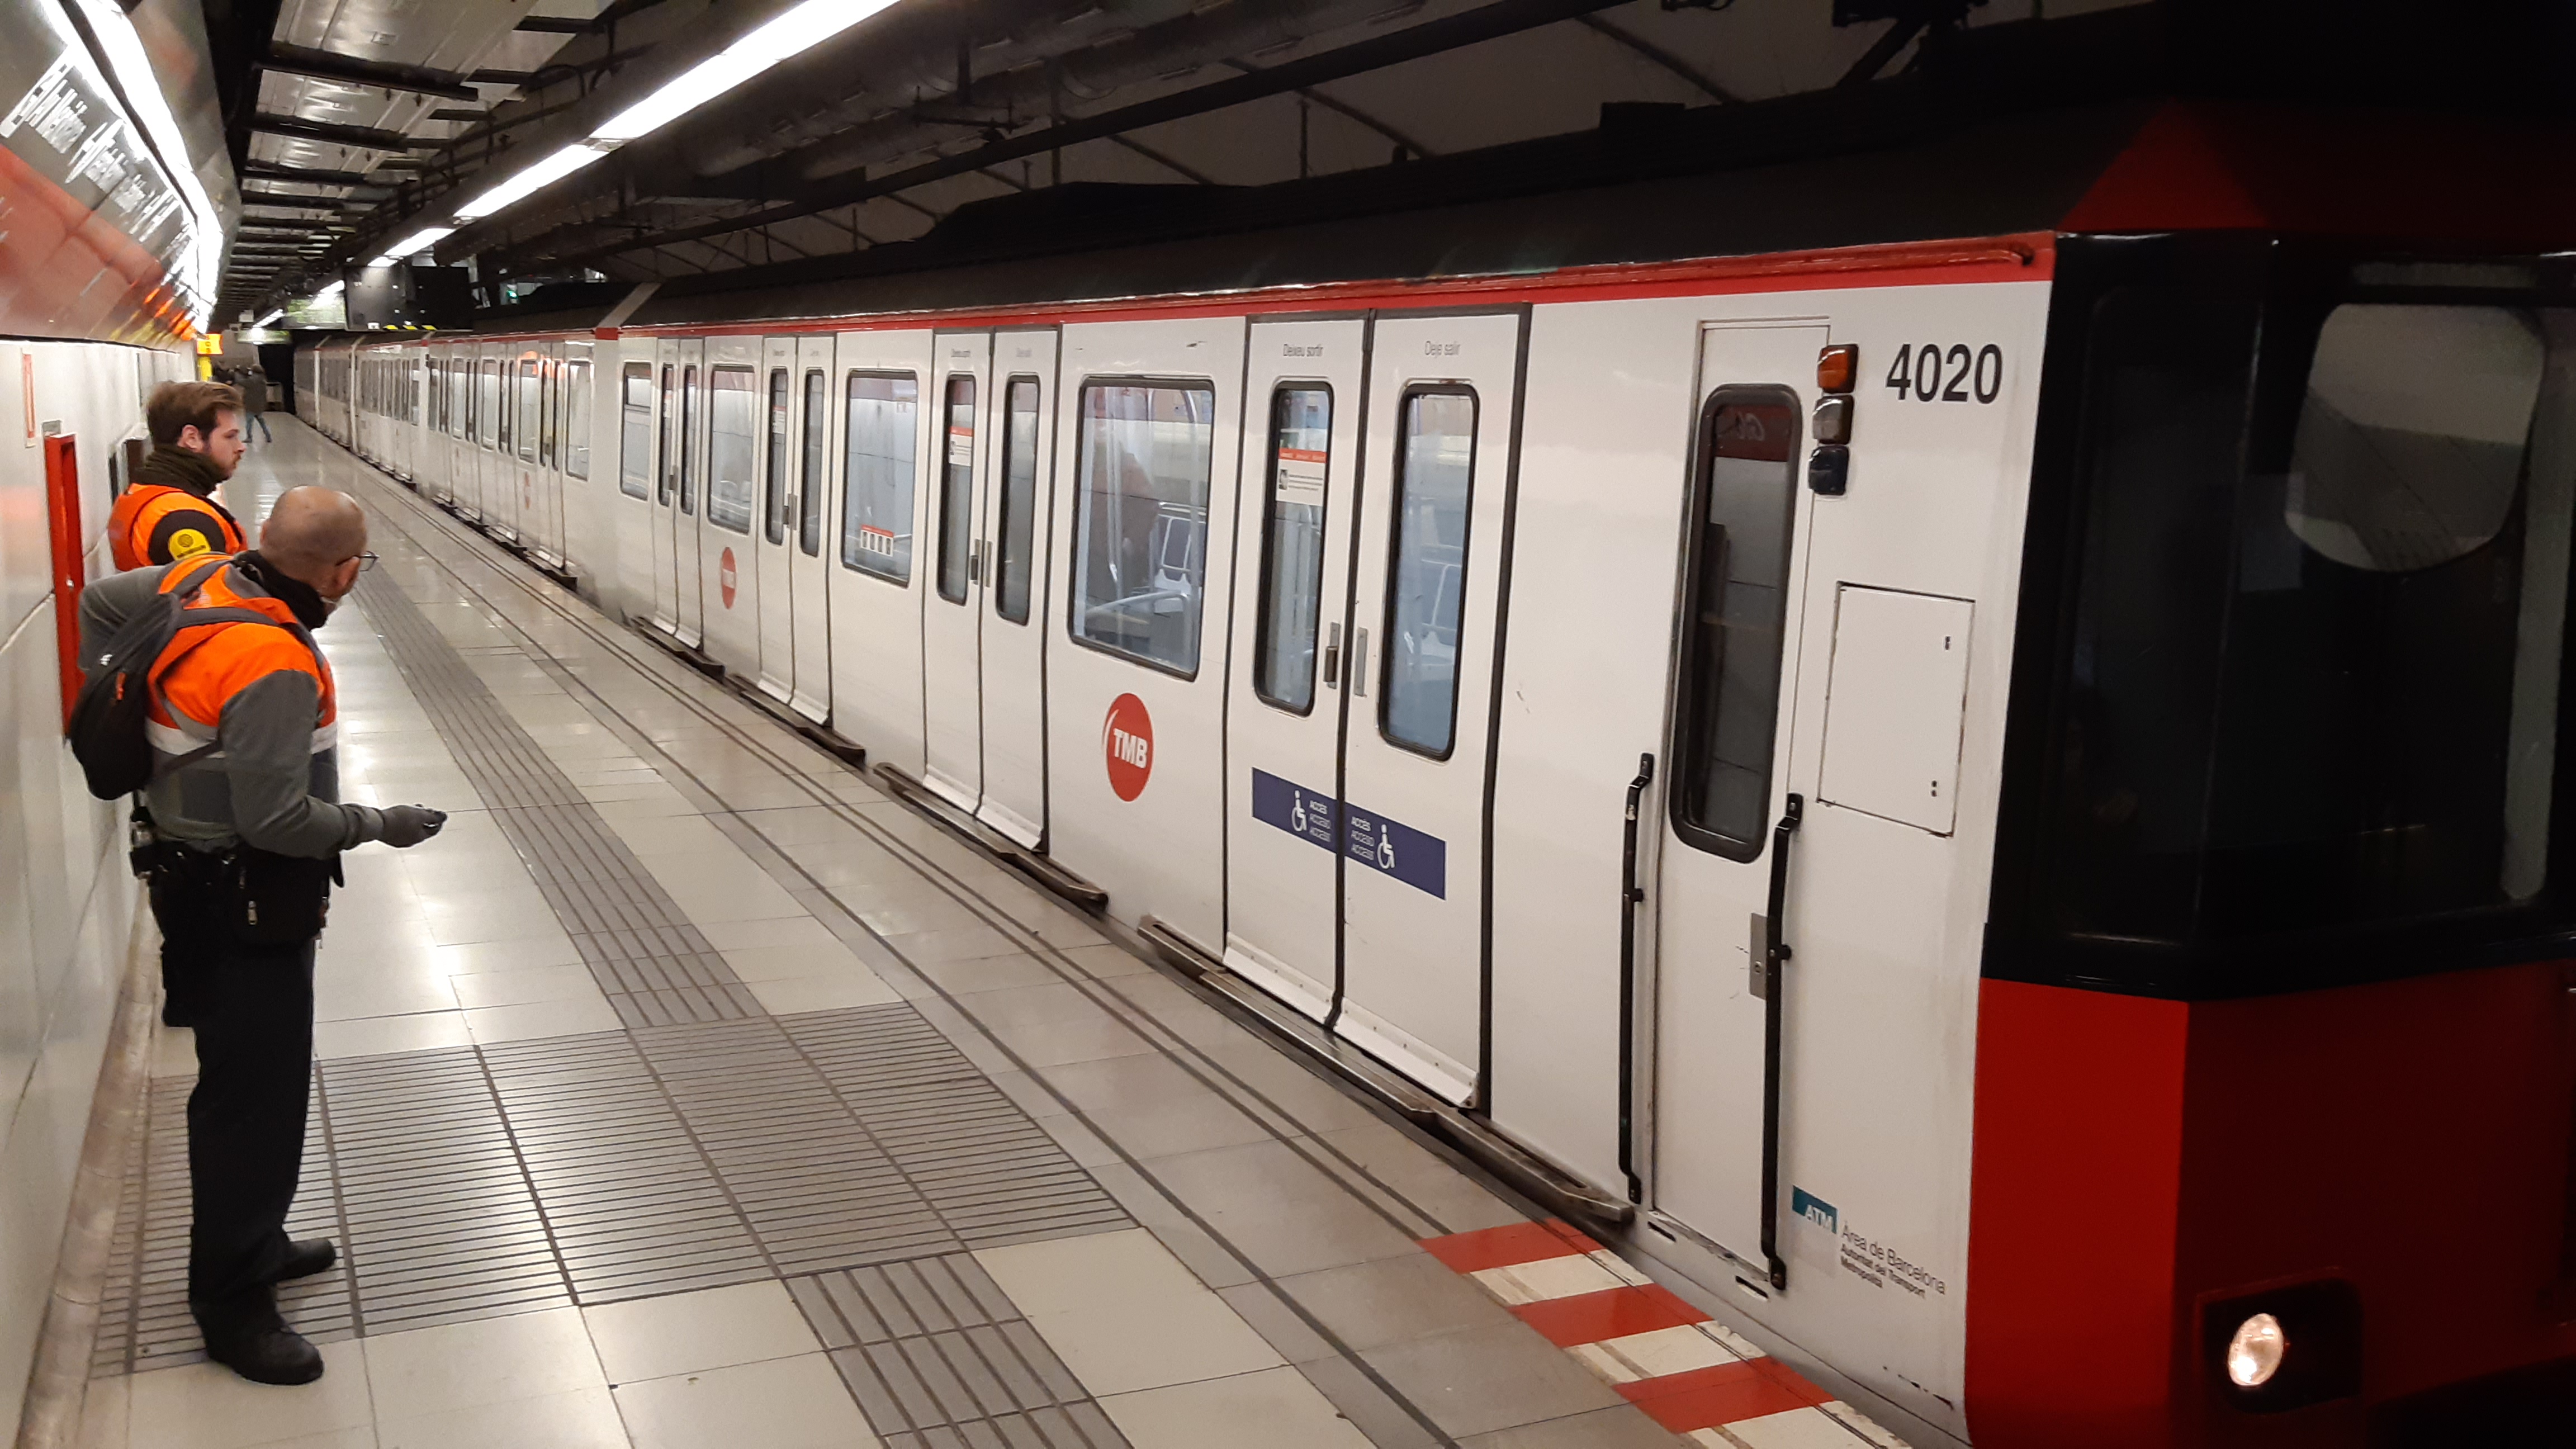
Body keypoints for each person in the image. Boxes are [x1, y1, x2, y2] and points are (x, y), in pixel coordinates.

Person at [78, 487, 447, 1386]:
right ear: (342, 573)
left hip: (187, 875)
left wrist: (121, 702)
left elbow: (99, 605)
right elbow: (278, 820)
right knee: (253, 1101)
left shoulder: (200, 578)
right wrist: (382, 824)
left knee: (248, 1082)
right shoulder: (270, 660)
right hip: (241, 897)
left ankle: (257, 1239)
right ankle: (233, 1304)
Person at [108, 382, 250, 571]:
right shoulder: (185, 521)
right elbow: (209, 590)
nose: (241, 447)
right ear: (192, 438)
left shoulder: (141, 493)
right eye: (230, 436)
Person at [239, 364, 273, 444]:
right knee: (262, 422)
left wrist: (242, 373)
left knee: (249, 423)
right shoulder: (263, 381)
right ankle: (268, 436)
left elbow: (241, 382)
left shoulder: (251, 380)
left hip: (250, 405)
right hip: (259, 405)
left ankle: (249, 437)